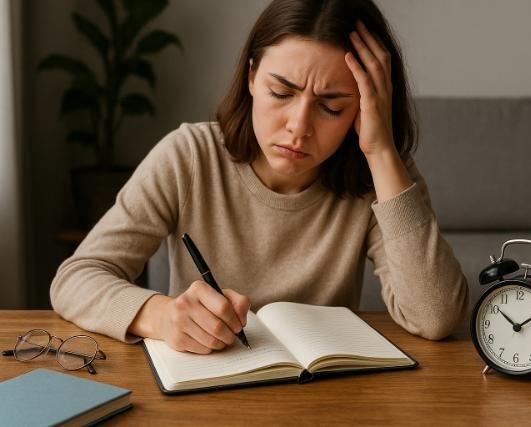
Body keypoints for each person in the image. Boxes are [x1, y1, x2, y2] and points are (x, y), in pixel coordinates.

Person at [50, 0, 468, 354]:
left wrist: (381, 152)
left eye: (332, 108)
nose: (298, 127)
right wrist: (161, 316)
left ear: (364, 108)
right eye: (281, 93)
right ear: (251, 77)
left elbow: (437, 317)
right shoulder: (189, 155)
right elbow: (75, 279)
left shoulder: (376, 175)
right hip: (205, 389)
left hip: (331, 397)